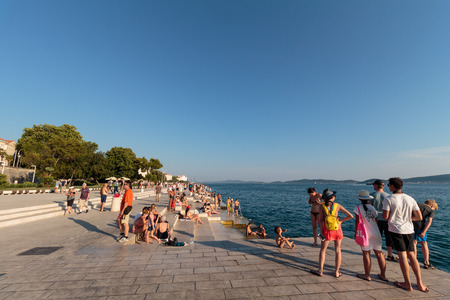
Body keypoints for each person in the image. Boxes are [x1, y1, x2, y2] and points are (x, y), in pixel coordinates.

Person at [383, 177, 428, 292]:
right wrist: (407, 218)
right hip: (409, 230)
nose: (388, 186)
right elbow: (419, 217)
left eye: (389, 185)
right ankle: (420, 283)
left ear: (393, 186)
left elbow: (385, 217)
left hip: (396, 230)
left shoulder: (388, 199)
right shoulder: (410, 198)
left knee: (402, 256)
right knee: (412, 256)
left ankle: (407, 283)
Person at [311, 189, 353, 278]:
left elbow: (321, 220)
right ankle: (336, 272)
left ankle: (320, 270)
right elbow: (350, 216)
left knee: (323, 250)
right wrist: (341, 221)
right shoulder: (338, 206)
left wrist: (321, 232)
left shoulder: (322, 207)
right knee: (338, 250)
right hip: (337, 230)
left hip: (326, 231)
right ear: (332, 198)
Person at [354, 190, 387, 282]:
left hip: (365, 234)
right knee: (379, 254)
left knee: (366, 253)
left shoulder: (358, 208)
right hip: (376, 232)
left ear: (360, 199)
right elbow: (375, 220)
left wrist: (356, 233)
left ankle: (367, 275)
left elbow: (357, 221)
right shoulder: (373, 208)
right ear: (368, 199)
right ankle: (383, 275)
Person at [370, 179, 397, 262]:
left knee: (378, 237)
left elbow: (370, 208)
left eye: (374, 185)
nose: (373, 186)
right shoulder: (388, 195)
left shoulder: (371, 195)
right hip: (387, 219)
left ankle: (380, 253)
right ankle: (390, 255)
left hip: (376, 219)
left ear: (376, 185)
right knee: (389, 238)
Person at [413, 199, 438, 269]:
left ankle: (414, 261)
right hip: (421, 227)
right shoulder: (431, 210)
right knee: (424, 243)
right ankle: (426, 262)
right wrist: (424, 231)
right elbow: (429, 221)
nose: (434, 210)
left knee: (413, 243)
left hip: (411, 225)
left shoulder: (416, 204)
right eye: (434, 208)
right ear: (432, 206)